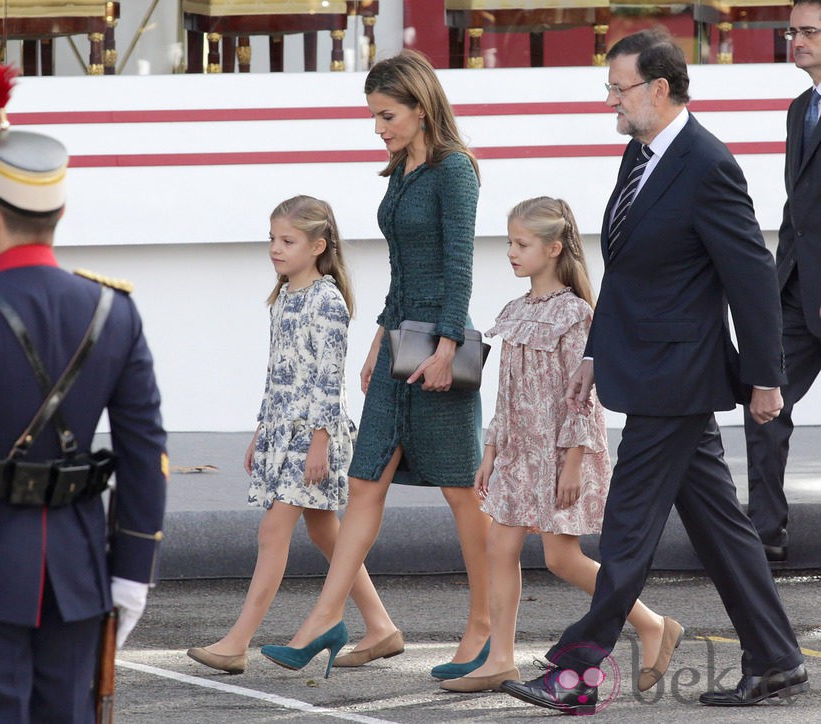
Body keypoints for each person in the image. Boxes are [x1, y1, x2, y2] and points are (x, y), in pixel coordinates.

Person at [502, 29, 808, 714]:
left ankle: (576, 671)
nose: (609, 101)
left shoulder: (705, 164)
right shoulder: (637, 157)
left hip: (679, 376)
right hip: (648, 369)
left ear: (659, 89)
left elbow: (751, 277)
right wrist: (592, 353)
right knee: (722, 531)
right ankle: (777, 661)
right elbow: (627, 273)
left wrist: (765, 377)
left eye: (619, 88)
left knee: (628, 529)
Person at [0, 63, 168, 722]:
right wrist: (132, 567)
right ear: (59, 210)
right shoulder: (114, 310)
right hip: (82, 574)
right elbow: (145, 453)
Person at [261, 49, 491, 679]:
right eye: (374, 116)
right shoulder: (401, 170)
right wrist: (376, 340)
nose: (379, 127)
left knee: (461, 493)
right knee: (363, 483)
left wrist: (446, 347)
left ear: (422, 107)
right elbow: (401, 269)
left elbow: (458, 265)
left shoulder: (456, 172)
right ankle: (325, 620)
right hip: (399, 344)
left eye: (387, 115)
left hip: (436, 348)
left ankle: (482, 628)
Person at [440, 197, 677, 695]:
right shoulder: (513, 312)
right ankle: (500, 658)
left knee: (561, 559)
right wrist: (490, 454)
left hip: (559, 456)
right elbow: (504, 395)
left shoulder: (576, 314)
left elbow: (584, 398)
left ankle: (654, 624)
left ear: (553, 248)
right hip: (517, 455)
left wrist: (575, 461)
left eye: (521, 244)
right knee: (498, 544)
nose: (511, 252)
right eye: (509, 242)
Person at [187, 196, 401, 678]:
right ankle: (381, 625)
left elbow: (330, 377)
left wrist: (320, 442)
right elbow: (277, 371)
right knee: (328, 534)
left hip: (313, 437)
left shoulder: (327, 300)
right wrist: (261, 429)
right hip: (282, 433)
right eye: (272, 239)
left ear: (318, 246)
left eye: (287, 241)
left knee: (272, 530)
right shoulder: (284, 295)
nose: (275, 249)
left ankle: (235, 643)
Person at [744, 0, 821, 564]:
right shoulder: (801, 110)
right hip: (794, 291)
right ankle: (764, 531)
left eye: (810, 31)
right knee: (765, 403)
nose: (797, 40)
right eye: (792, 30)